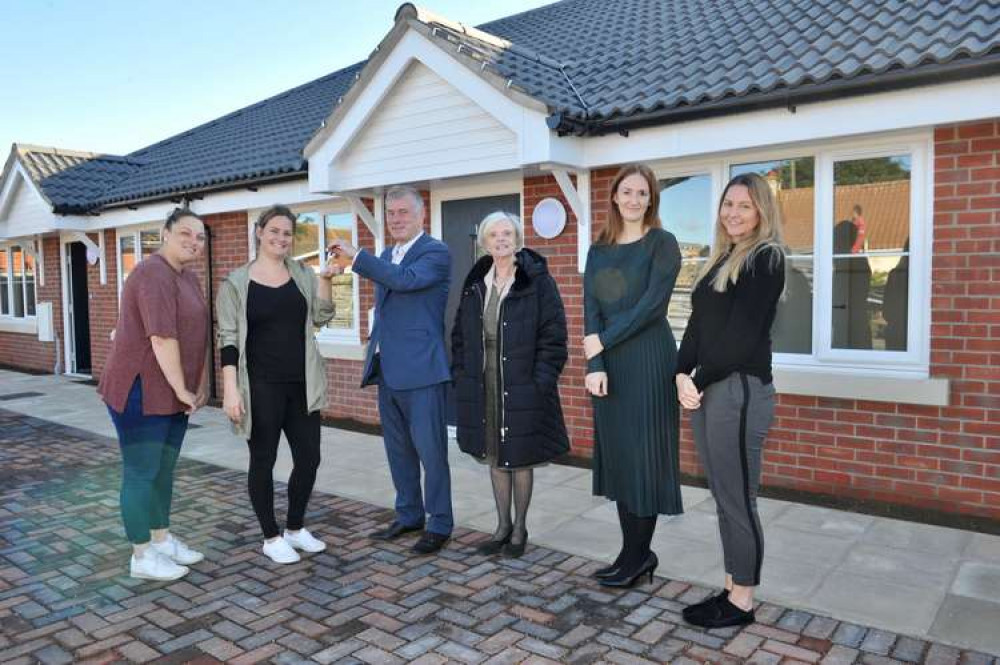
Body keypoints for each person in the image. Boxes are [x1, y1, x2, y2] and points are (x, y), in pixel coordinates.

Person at [675, 172, 786, 629]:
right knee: (723, 495)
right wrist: (680, 372)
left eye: (744, 205)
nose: (733, 213)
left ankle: (743, 601)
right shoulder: (718, 258)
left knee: (739, 497)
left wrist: (697, 379)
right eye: (728, 204)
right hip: (710, 386)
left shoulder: (766, 259)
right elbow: (698, 327)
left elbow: (741, 337)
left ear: (761, 210)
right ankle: (731, 587)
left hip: (739, 389)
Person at [327, 185, 453, 555]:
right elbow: (388, 305)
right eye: (391, 213)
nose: (396, 219)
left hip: (423, 372)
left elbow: (406, 281)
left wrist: (357, 256)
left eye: (403, 212)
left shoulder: (435, 252)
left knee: (431, 453)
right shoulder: (386, 253)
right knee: (398, 451)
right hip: (389, 369)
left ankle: (440, 523)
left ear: (421, 215)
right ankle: (409, 514)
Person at [217, 205, 339, 564]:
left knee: (309, 458)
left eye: (287, 233)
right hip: (259, 385)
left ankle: (295, 528)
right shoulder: (236, 283)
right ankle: (270, 536)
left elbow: (321, 316)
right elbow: (228, 339)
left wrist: (327, 279)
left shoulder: (302, 273)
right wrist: (229, 389)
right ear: (259, 232)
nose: (281, 238)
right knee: (263, 460)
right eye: (274, 231)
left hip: (302, 383)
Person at [583, 163, 683, 588]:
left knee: (644, 459)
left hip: (649, 360)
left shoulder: (663, 243)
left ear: (651, 200)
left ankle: (640, 555)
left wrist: (603, 342)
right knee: (623, 460)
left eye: (642, 193)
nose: (634, 200)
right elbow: (591, 310)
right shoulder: (598, 249)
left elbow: (651, 308)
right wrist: (595, 364)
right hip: (611, 367)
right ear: (614, 197)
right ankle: (630, 553)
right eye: (627, 191)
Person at [98, 208, 209, 581]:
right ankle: (141, 556)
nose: (194, 242)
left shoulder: (188, 277)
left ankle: (161, 541)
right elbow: (161, 337)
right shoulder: (151, 273)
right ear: (164, 233)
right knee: (142, 472)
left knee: (163, 470)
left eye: (200, 237)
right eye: (185, 234)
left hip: (172, 392)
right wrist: (182, 389)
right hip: (140, 390)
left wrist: (194, 386)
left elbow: (195, 335)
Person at [451, 212, 569, 558]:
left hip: (523, 382)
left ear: (517, 239)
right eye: (493, 234)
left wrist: (540, 382)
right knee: (493, 455)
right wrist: (462, 374)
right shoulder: (476, 282)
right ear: (484, 242)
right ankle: (501, 526)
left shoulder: (537, 280)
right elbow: (460, 334)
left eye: (507, 233)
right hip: (483, 382)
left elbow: (555, 336)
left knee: (519, 457)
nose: (500, 239)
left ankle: (520, 529)